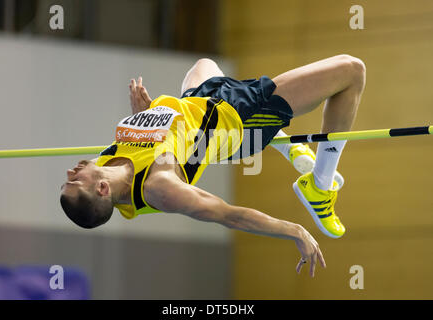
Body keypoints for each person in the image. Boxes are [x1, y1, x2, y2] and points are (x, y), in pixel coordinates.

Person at [60, 56, 366, 277]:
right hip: (242, 120)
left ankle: (289, 148)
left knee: (203, 65)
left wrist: (146, 114)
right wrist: (295, 231)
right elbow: (226, 214)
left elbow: (164, 142)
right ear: (102, 189)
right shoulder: (158, 188)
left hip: (202, 102)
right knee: (352, 71)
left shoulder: (106, 160)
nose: (71, 172)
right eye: (75, 181)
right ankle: (321, 186)